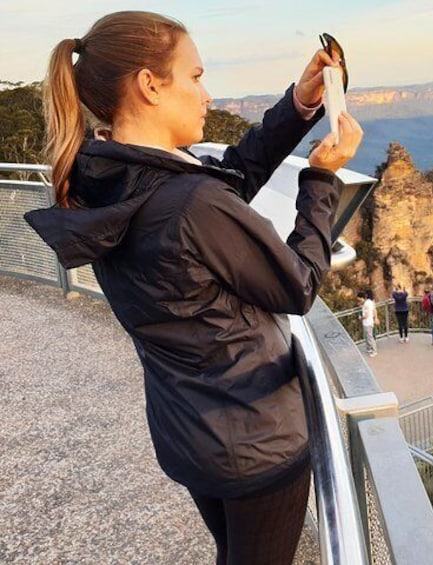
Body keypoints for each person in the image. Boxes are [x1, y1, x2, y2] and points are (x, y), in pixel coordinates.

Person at [24, 11, 363, 565]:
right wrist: (322, 180)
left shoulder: (103, 174)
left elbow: (227, 180)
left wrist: (300, 104)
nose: (207, 93)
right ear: (149, 85)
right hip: (253, 439)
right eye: (196, 76)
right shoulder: (185, 203)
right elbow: (298, 285)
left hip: (188, 426)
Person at [359, 289, 379, 357]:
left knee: (370, 337)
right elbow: (373, 310)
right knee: (369, 336)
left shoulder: (367, 304)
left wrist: (361, 318)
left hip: (367, 322)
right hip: (370, 322)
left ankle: (374, 350)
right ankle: (370, 348)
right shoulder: (370, 302)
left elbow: (366, 315)